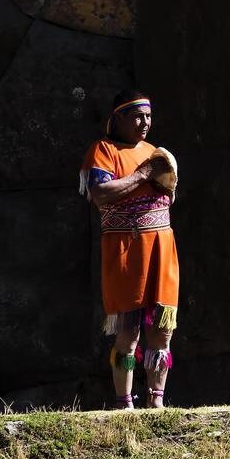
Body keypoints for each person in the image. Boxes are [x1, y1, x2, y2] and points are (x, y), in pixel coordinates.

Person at [80, 90, 180, 410]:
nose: (145, 122)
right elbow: (99, 192)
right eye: (137, 116)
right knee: (129, 332)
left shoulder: (153, 151)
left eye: (149, 116)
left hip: (162, 247)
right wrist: (142, 175)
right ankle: (125, 402)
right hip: (126, 248)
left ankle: (157, 400)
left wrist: (165, 183)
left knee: (162, 330)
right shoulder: (104, 150)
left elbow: (168, 193)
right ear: (118, 118)